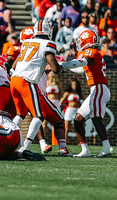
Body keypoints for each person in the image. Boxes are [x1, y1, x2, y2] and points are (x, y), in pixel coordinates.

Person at [10, 20, 78, 156]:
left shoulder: (27, 42)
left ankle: (3, 138)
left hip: (14, 80)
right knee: (39, 115)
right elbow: (54, 68)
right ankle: (25, 147)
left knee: (20, 114)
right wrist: (61, 67)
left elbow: (14, 66)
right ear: (49, 31)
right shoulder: (48, 44)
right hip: (26, 82)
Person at [68, 30, 114, 157]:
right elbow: (80, 68)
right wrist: (63, 65)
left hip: (98, 88)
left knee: (96, 118)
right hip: (97, 89)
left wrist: (64, 64)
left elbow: (82, 62)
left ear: (87, 41)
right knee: (78, 119)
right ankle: (85, 150)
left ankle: (106, 147)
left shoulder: (91, 52)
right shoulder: (94, 53)